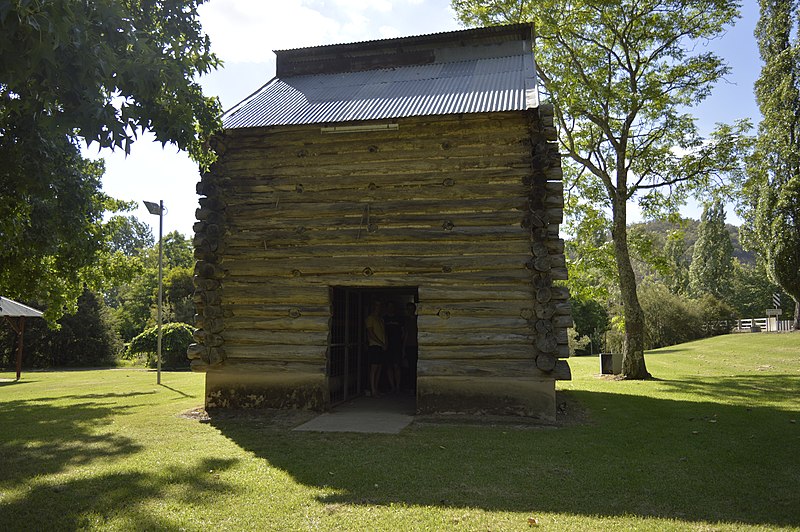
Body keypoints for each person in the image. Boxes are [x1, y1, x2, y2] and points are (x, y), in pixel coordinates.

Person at [365, 300, 386, 397]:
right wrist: (381, 343)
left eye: (380, 306)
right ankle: (372, 390)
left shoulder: (381, 319)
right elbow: (370, 333)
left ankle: (376, 389)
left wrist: (385, 343)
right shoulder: (370, 318)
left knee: (379, 368)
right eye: (377, 306)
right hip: (374, 345)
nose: (378, 308)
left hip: (381, 346)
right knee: (374, 368)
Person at [383, 301, 404, 393]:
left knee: (397, 366)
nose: (391, 308)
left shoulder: (399, 318)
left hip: (397, 345)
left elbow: (403, 332)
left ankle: (398, 386)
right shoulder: (384, 319)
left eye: (392, 306)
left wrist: (401, 343)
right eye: (389, 306)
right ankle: (392, 387)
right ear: (387, 308)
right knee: (389, 366)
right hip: (387, 345)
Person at [403, 302, 418, 391]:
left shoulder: (418, 319)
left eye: (411, 309)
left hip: (418, 346)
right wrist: (403, 349)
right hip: (409, 346)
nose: (410, 311)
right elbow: (406, 334)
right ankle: (412, 387)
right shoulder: (407, 321)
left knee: (416, 367)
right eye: (408, 309)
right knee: (411, 367)